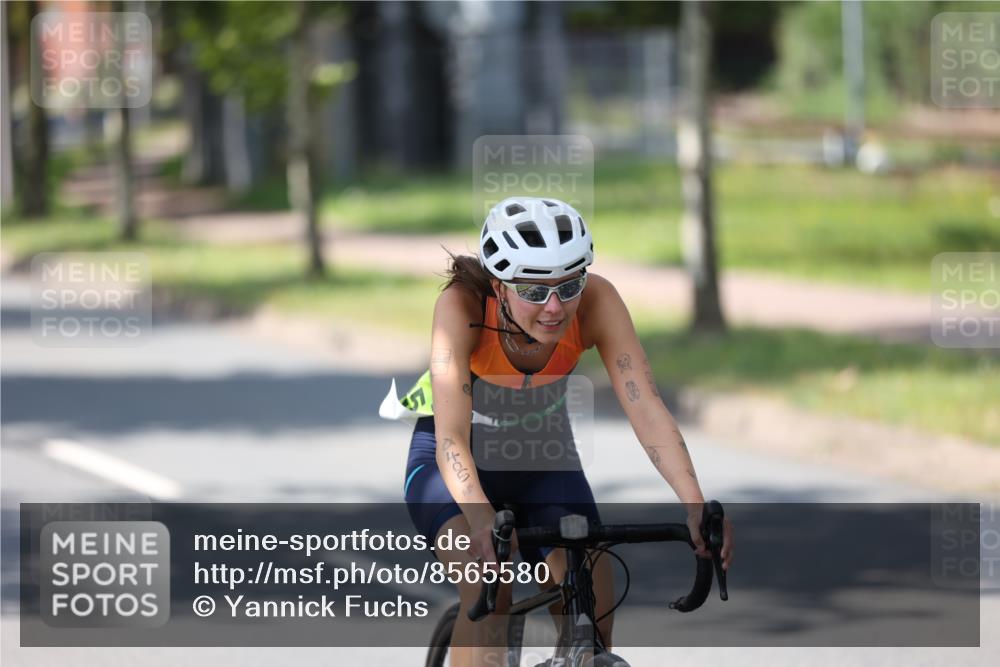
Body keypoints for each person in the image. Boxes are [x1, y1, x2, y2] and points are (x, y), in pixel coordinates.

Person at [388, 196, 734, 666]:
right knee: (490, 588)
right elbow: (451, 438)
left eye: (569, 285)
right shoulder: (461, 306)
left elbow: (645, 406)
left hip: (541, 459)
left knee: (594, 600)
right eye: (532, 291)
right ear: (499, 285)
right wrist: (481, 518)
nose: (554, 307)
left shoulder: (598, 302)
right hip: (451, 461)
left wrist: (694, 501)